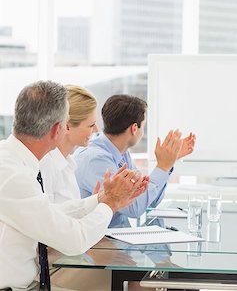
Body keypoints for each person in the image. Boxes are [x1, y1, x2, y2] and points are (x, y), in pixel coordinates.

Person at [0, 81, 148, 290]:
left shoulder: (14, 162)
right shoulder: (12, 175)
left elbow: (50, 212)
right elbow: (73, 239)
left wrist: (101, 199)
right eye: (67, 122)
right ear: (57, 130)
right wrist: (111, 203)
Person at [74, 94, 196, 227]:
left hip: (116, 236)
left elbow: (148, 201)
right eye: (143, 126)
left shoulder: (121, 152)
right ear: (134, 128)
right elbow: (135, 208)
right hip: (99, 241)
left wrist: (169, 162)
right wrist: (163, 167)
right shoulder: (95, 159)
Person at [40, 85, 98, 204]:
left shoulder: (67, 163)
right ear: (67, 125)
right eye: (91, 125)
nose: (97, 130)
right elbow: (49, 220)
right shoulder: (47, 166)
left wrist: (94, 203)